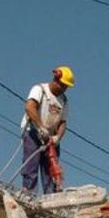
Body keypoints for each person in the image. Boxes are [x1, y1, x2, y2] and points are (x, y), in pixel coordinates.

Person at [20, 65, 74, 194]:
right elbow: (30, 107)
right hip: (33, 131)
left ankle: (51, 197)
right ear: (56, 79)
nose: (64, 89)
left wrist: (57, 138)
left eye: (66, 87)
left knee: (51, 170)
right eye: (62, 85)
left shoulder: (64, 101)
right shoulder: (40, 90)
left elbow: (62, 122)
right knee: (31, 165)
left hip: (50, 137)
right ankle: (29, 193)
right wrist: (40, 127)